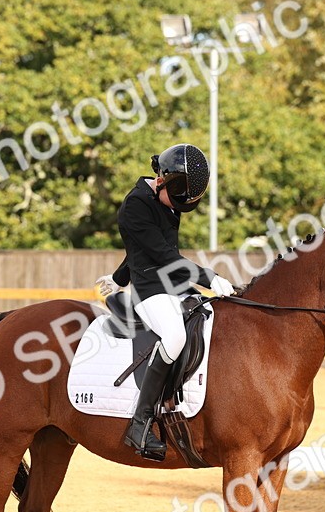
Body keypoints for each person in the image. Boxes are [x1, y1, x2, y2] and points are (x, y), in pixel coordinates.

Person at [95, 144, 236, 461]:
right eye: (176, 201)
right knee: (175, 337)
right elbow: (162, 254)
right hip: (149, 290)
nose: (177, 209)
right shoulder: (134, 207)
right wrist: (209, 278)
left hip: (172, 284)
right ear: (161, 180)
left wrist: (117, 277)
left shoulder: (167, 195)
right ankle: (140, 423)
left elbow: (143, 246)